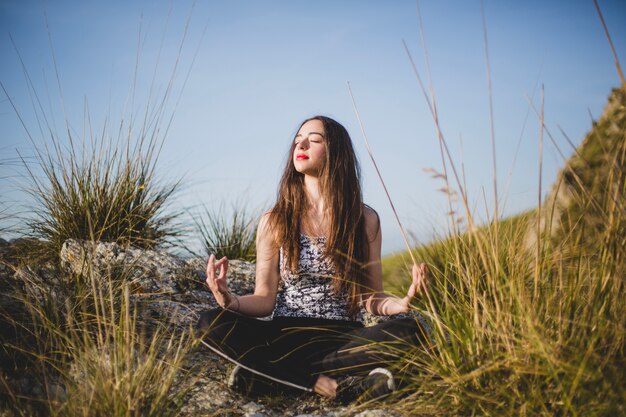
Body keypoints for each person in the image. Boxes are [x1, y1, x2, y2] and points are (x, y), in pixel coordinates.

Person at [197, 115, 430, 404]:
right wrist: (229, 300)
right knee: (210, 322)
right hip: (284, 337)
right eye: (297, 140)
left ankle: (269, 377)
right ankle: (328, 385)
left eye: (314, 140)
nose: (301, 144)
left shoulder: (364, 219)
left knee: (411, 329)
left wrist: (403, 303)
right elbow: (265, 298)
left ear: (336, 152)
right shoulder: (275, 220)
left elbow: (371, 297)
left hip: (343, 340)